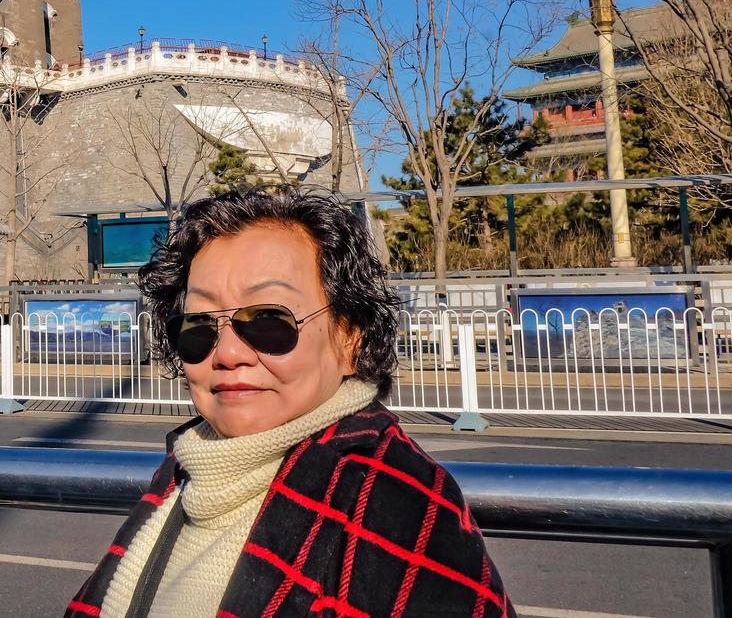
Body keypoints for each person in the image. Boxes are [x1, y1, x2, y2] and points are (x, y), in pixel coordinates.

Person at [66, 188, 514, 618]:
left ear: (348, 337)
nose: (227, 353)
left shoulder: (395, 502)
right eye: (198, 325)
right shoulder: (191, 467)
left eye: (268, 321)